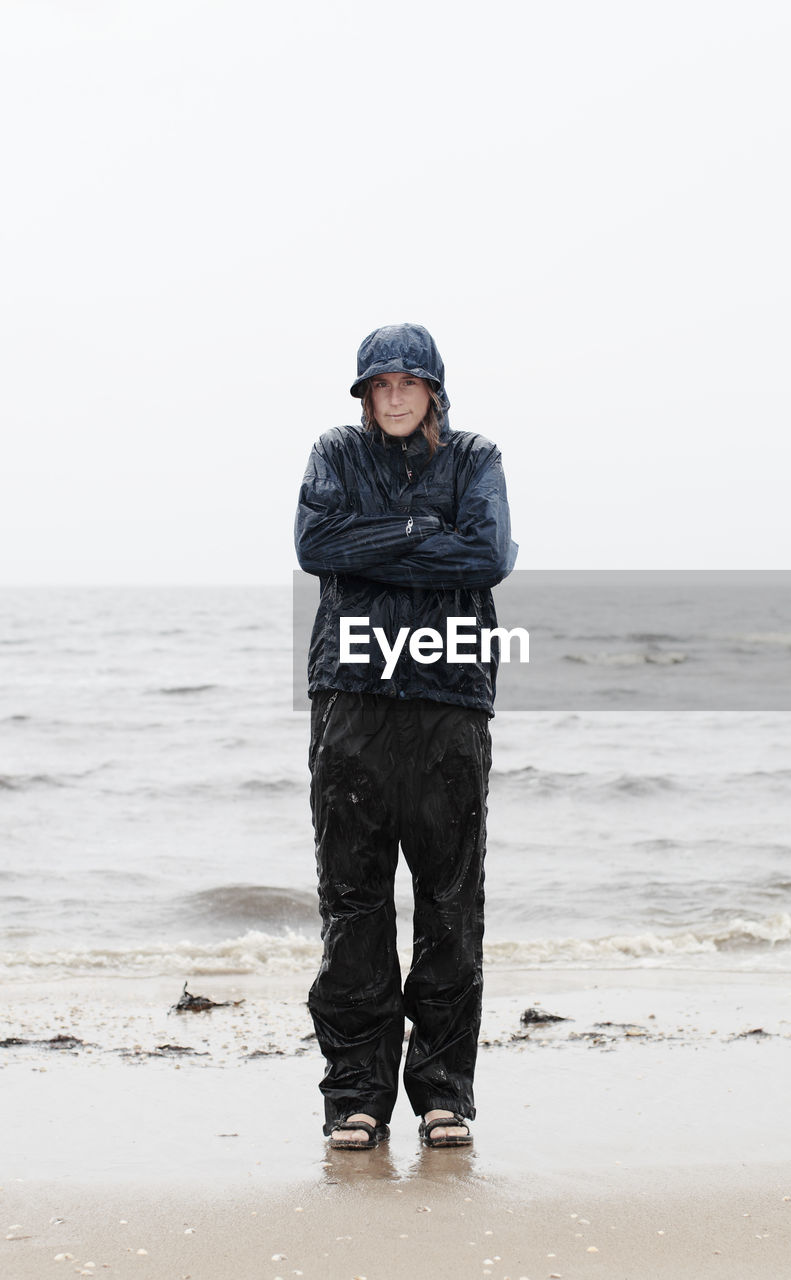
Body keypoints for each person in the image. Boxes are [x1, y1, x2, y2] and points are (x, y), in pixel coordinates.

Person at [294, 322, 517, 1150]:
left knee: (450, 901)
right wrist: (427, 530)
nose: (392, 397)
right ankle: (354, 1097)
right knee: (352, 901)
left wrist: (379, 538)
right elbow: (316, 544)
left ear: (433, 391)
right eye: (378, 385)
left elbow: (488, 555)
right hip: (350, 693)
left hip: (450, 693)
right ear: (363, 395)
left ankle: (442, 1095)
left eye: (407, 384)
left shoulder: (476, 458)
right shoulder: (334, 453)